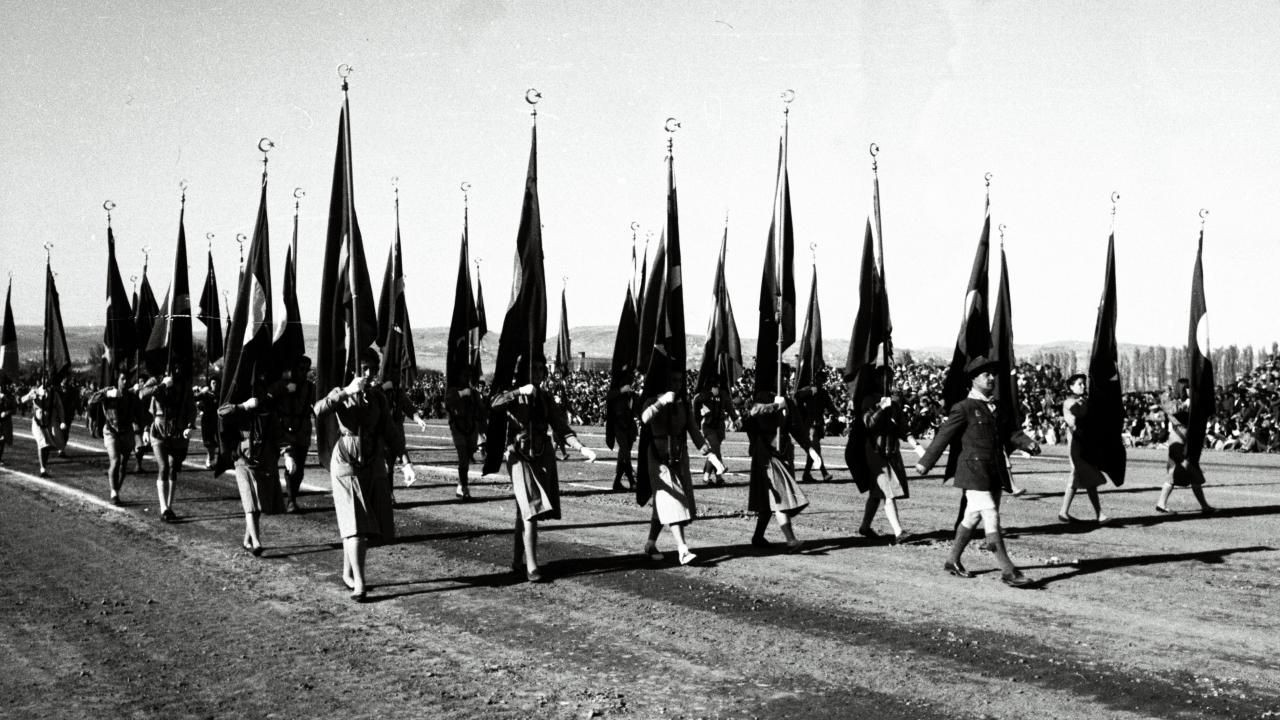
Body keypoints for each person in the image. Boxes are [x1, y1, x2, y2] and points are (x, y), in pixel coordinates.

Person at [916, 357, 1041, 588]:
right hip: (973, 472)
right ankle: (1008, 570)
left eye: (993, 374)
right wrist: (926, 462)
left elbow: (1010, 433)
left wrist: (1028, 443)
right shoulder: (963, 408)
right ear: (973, 379)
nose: (991, 378)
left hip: (994, 471)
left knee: (972, 517)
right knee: (991, 514)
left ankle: (952, 560)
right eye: (986, 375)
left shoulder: (997, 406)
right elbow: (944, 436)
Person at [489, 365, 596, 583]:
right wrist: (519, 392)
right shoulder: (512, 394)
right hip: (518, 455)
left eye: (539, 371)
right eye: (532, 370)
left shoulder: (545, 398)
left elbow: (561, 428)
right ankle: (532, 565)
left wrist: (581, 447)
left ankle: (517, 560)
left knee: (524, 509)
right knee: (531, 507)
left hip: (542, 455)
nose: (536, 374)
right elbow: (494, 404)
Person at [313, 348, 393, 602]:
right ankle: (360, 583)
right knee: (355, 526)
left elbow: (388, 429)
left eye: (372, 368)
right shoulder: (341, 392)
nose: (369, 373)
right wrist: (348, 391)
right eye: (364, 368)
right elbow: (318, 410)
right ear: (354, 370)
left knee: (366, 524)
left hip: (370, 462)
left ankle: (347, 572)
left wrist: (405, 460)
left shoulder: (379, 398)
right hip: (345, 461)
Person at [637, 375, 712, 565]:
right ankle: (683, 549)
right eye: (673, 380)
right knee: (674, 501)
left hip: (678, 456)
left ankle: (651, 544)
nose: (677, 384)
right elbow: (645, 418)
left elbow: (692, 427)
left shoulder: (683, 404)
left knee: (663, 506)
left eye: (680, 381)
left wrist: (702, 445)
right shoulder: (652, 400)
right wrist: (661, 402)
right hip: (658, 458)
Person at [218, 381, 280, 555]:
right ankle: (257, 542)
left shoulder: (268, 409)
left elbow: (277, 431)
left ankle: (247, 538)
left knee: (257, 503)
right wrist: (243, 406)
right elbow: (221, 412)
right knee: (249, 501)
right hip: (242, 459)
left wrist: (286, 452)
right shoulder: (239, 408)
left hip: (261, 458)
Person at [852, 368, 912, 543]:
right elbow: (868, 423)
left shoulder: (893, 402)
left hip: (891, 450)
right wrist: (880, 407)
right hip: (875, 450)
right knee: (889, 491)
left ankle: (865, 526)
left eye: (891, 378)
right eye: (886, 377)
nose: (889, 381)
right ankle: (898, 531)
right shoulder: (869, 399)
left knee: (876, 493)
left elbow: (902, 427)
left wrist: (916, 446)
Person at [743, 389, 808, 551]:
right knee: (780, 497)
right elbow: (753, 411)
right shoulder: (763, 396)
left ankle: (758, 536)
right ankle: (791, 540)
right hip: (766, 453)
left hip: (783, 452)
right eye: (782, 376)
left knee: (769, 500)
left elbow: (796, 427)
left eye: (786, 377)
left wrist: (810, 449)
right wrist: (775, 405)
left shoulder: (788, 400)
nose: (784, 380)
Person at [139, 367, 198, 523]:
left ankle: (170, 507)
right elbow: (142, 394)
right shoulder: (156, 380)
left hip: (177, 431)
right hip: (158, 429)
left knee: (173, 467)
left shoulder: (184, 384)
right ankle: (163, 507)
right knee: (164, 466)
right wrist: (163, 385)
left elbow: (191, 407)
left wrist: (190, 425)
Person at [1157, 379, 1214, 514]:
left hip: (1186, 438)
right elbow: (1176, 412)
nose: (1190, 390)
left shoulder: (1187, 402)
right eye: (1188, 388)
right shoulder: (1174, 403)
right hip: (1177, 438)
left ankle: (1162, 503)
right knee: (1188, 469)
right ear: (1182, 389)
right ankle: (1204, 506)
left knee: (1176, 473)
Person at [1058, 374, 1110, 523]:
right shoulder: (1069, 402)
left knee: (1081, 478)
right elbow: (1080, 414)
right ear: (1071, 387)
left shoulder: (1083, 401)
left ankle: (1064, 512)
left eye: (1083, 384)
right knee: (1087, 477)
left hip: (1085, 443)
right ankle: (1099, 514)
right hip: (1076, 444)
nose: (1083, 386)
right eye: (1079, 384)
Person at [86, 372, 143, 505]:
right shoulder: (110, 392)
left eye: (127, 379)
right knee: (115, 461)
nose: (125, 381)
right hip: (111, 431)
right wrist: (106, 393)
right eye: (123, 379)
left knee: (123, 464)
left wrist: (142, 429)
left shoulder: (132, 396)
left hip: (127, 432)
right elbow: (91, 400)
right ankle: (114, 492)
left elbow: (139, 413)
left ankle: (117, 488)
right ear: (117, 380)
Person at [272, 358, 315, 513]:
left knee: (299, 469)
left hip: (302, 432)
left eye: (305, 369)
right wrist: (284, 389)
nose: (303, 372)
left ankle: (292, 497)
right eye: (300, 369)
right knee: (290, 466)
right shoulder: (281, 385)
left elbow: (317, 406)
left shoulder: (310, 388)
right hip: (283, 431)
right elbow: (268, 396)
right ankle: (289, 500)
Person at [381, 372, 427, 508]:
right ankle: (387, 494)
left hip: (396, 431)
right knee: (386, 465)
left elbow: (407, 406)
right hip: (382, 432)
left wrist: (418, 419)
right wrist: (382, 389)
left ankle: (389, 494)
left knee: (390, 465)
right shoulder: (379, 390)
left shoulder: (398, 392)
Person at [445, 382, 485, 499]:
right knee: (463, 457)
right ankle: (464, 488)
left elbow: (481, 410)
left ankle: (460, 485)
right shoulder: (452, 390)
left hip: (471, 427)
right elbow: (448, 403)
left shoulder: (474, 393)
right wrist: (461, 393)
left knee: (467, 457)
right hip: (458, 426)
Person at [692, 378, 735, 486]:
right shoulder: (704, 394)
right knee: (715, 449)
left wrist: (735, 418)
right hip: (708, 425)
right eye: (715, 385)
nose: (717, 387)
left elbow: (729, 407)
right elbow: (696, 400)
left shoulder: (724, 394)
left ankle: (708, 477)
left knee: (714, 451)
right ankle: (719, 472)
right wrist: (709, 394)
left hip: (720, 426)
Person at [794, 383, 838, 483]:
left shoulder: (823, 393)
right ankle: (824, 473)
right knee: (815, 448)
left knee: (814, 450)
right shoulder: (807, 390)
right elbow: (797, 396)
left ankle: (806, 474)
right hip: (808, 424)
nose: (820, 381)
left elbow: (829, 405)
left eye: (823, 379)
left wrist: (837, 414)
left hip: (818, 423)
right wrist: (810, 391)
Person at [604, 379, 639, 491]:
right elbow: (609, 397)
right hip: (619, 426)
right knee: (625, 453)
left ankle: (617, 482)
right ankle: (632, 481)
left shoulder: (633, 396)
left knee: (623, 455)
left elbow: (637, 409)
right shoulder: (617, 394)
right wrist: (622, 390)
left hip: (630, 427)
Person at [20, 379, 60, 477]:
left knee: (48, 447)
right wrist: (31, 395)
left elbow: (57, 406)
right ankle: (42, 470)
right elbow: (22, 399)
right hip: (37, 423)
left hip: (47, 424)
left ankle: (44, 468)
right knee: (43, 444)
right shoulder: (35, 391)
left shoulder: (53, 394)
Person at [194, 376, 222, 470]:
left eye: (217, 383)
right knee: (209, 442)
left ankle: (215, 460)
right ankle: (210, 460)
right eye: (213, 383)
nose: (215, 385)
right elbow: (194, 399)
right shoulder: (206, 394)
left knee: (218, 441)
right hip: (207, 420)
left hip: (218, 420)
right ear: (210, 384)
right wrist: (201, 392)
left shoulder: (221, 394)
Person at [0, 378, 15, 466]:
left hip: (5, 421)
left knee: (2, 440)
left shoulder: (9, 397)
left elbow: (14, 409)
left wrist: (6, 412)